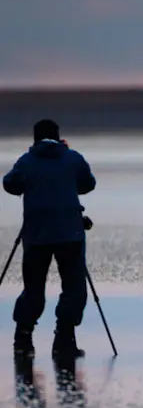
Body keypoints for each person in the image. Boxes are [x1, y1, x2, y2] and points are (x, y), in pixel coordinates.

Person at [4, 120, 96, 359]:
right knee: (73, 288)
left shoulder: (27, 161)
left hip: (36, 234)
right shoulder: (72, 158)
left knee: (33, 288)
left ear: (35, 139)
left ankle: (23, 339)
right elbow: (88, 184)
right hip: (70, 233)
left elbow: (10, 185)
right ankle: (64, 340)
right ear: (59, 137)